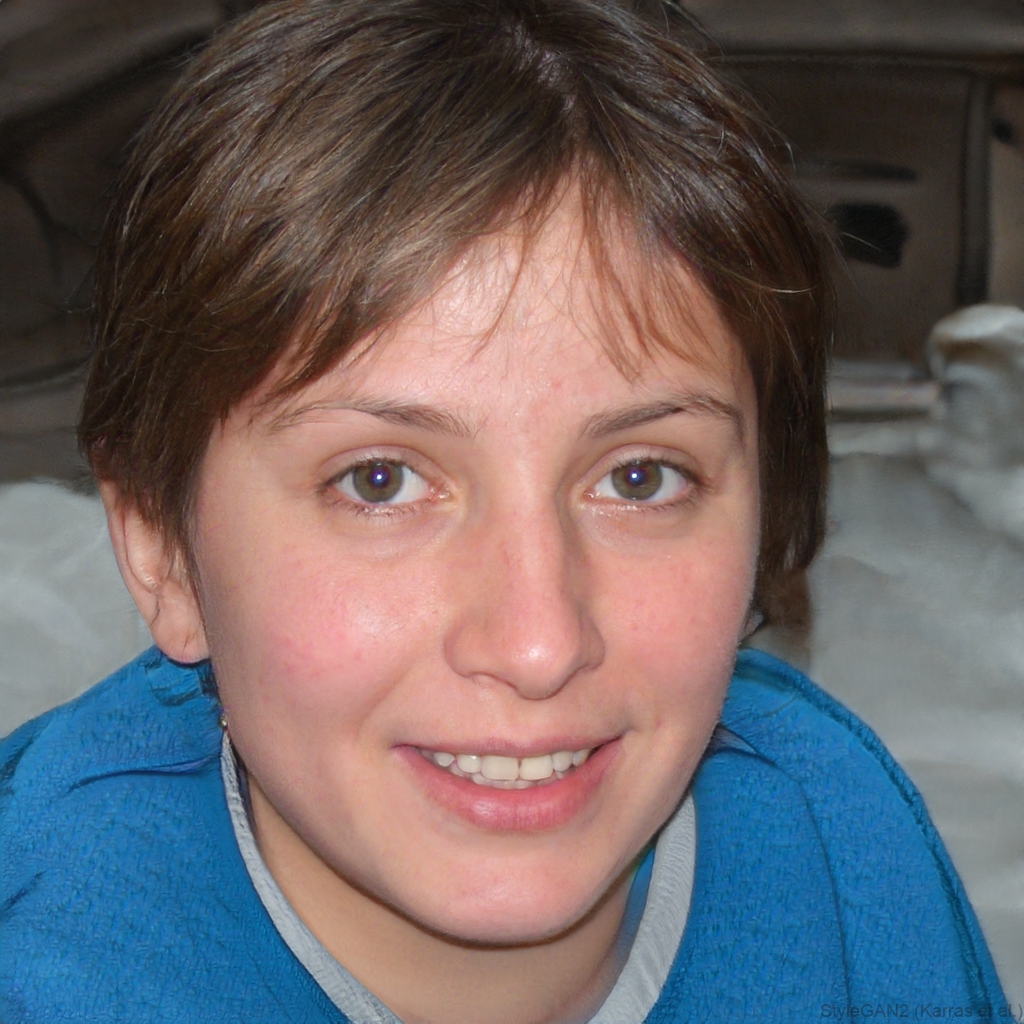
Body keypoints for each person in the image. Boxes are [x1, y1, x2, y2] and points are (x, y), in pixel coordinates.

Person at [0, 0, 1007, 1020]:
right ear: (161, 550)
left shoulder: (836, 833)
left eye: (640, 478)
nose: (538, 645)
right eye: (380, 481)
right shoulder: (45, 967)